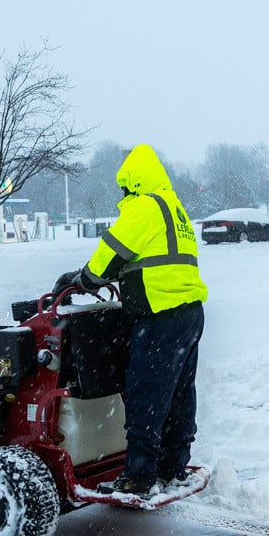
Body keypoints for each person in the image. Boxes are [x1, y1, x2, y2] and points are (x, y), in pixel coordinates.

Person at [52, 144, 207, 496]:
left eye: (124, 187)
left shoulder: (142, 208)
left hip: (159, 316)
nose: (122, 194)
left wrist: (80, 280)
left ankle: (138, 474)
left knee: (144, 394)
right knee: (180, 392)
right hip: (190, 314)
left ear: (132, 183)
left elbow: (106, 260)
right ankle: (172, 465)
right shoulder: (174, 208)